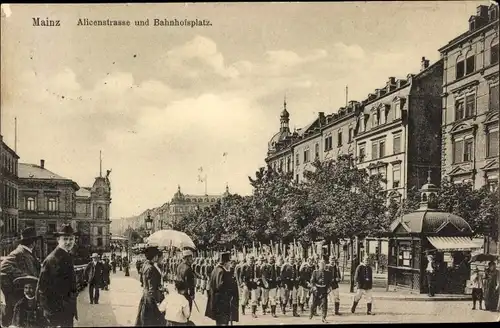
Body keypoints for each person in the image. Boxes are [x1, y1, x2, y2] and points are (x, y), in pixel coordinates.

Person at [37, 224, 79, 327]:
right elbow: (42, 288)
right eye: (65, 239)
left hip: (65, 311)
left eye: (71, 239)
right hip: (57, 315)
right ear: (58, 240)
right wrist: (51, 316)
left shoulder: (66, 255)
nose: (68, 242)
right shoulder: (52, 259)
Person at [0, 227, 42, 327]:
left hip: (29, 295)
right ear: (33, 242)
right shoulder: (18, 252)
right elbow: (3, 267)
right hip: (21, 296)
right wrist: (25, 277)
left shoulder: (27, 253)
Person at [205, 251, 239, 326]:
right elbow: (221, 286)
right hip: (222, 302)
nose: (229, 264)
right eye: (229, 262)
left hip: (217, 301)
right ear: (226, 263)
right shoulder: (221, 271)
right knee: (223, 322)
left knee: (219, 322)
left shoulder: (216, 270)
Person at [135, 246, 165, 327]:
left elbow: (143, 281)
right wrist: (157, 302)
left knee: (144, 321)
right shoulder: (151, 268)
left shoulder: (145, 265)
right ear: (154, 257)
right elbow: (152, 288)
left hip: (145, 296)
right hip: (151, 300)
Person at [310, 259, 332, 323]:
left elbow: (329, 282)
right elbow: (312, 281)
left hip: (324, 290)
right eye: (321, 264)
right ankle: (311, 312)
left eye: (324, 264)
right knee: (314, 303)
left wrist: (329, 287)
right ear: (319, 265)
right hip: (317, 289)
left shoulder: (328, 273)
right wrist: (314, 287)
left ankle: (323, 317)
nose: (322, 266)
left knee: (324, 303)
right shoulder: (315, 272)